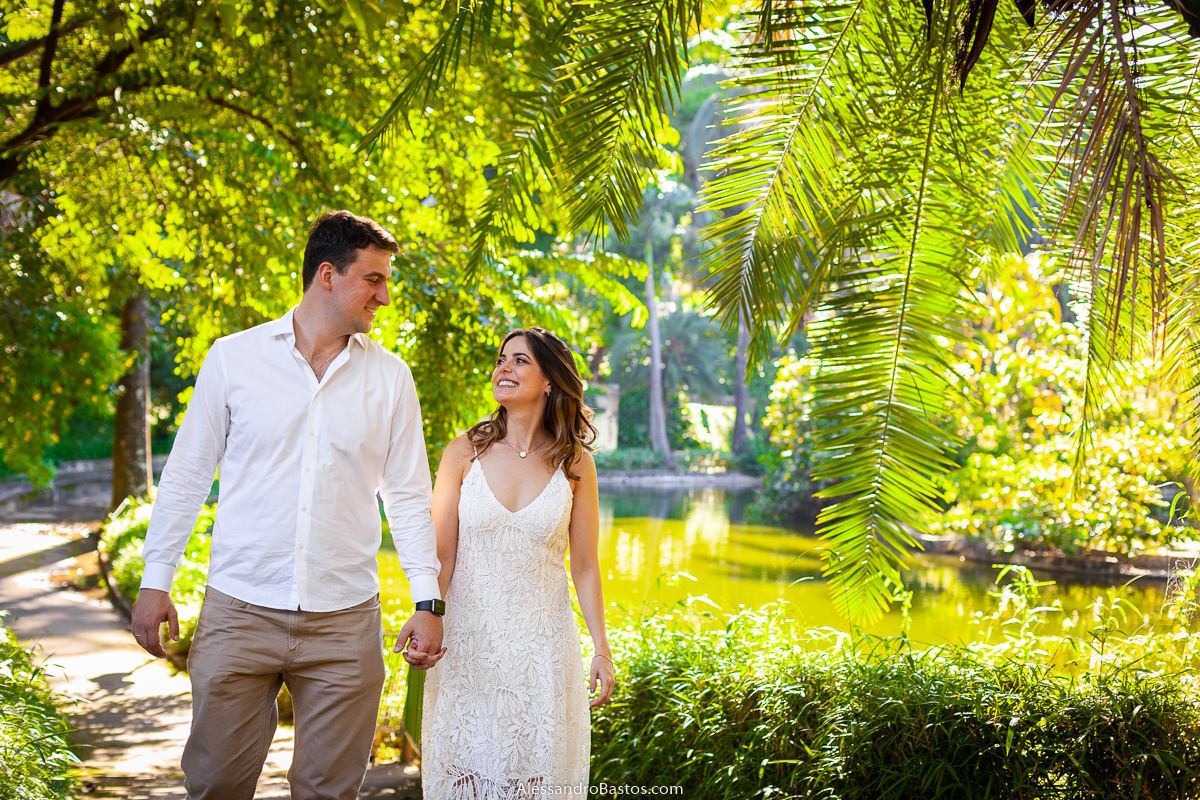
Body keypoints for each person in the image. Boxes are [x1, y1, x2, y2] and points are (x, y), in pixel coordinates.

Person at [130, 210, 446, 800]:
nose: (383, 296)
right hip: (239, 610)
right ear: (327, 275)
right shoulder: (234, 358)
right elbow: (187, 475)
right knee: (216, 784)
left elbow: (407, 497)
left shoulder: (391, 379)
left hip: (345, 621)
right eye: (373, 280)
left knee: (329, 792)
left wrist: (428, 600)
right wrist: (156, 579)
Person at [420, 326, 615, 799]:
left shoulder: (575, 463)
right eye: (501, 359)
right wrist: (426, 616)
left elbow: (585, 565)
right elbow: (441, 556)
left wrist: (601, 648)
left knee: (535, 779)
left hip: (543, 655)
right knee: (463, 775)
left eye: (520, 360)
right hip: (468, 648)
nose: (503, 368)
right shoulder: (462, 451)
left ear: (550, 380)